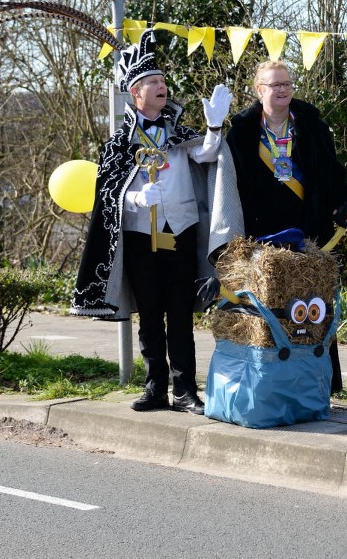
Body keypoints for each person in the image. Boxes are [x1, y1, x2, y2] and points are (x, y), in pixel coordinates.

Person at [70, 29, 243, 414]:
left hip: (179, 234)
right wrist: (133, 196)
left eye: (163, 81)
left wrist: (215, 125)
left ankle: (184, 391)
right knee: (149, 316)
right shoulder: (119, 142)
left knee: (180, 315)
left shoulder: (179, 131)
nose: (162, 86)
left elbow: (208, 155)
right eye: (153, 82)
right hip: (139, 238)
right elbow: (107, 195)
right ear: (135, 93)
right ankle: (154, 388)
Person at [224, 59, 347, 393]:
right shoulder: (240, 132)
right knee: (271, 309)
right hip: (262, 233)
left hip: (309, 229)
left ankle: (321, 382)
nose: (282, 90)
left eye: (286, 84)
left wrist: (342, 205)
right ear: (258, 90)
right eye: (274, 85)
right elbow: (230, 184)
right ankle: (270, 383)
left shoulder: (312, 125)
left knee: (315, 305)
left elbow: (333, 173)